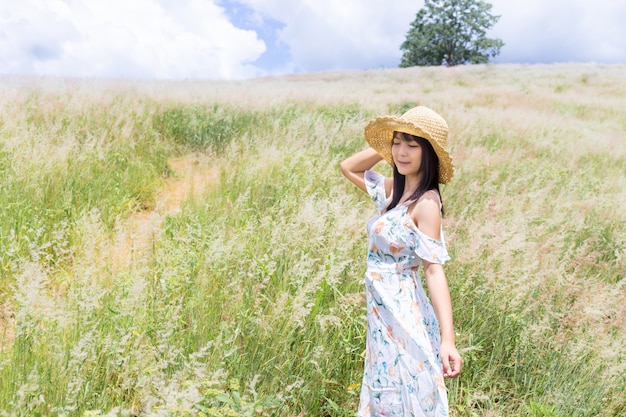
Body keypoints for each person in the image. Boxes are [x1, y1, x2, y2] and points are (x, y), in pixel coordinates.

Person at [340, 106, 462, 416]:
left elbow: (434, 271)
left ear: (429, 153)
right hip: (381, 309)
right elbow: (349, 167)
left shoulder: (426, 202)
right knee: (386, 386)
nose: (401, 151)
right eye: (397, 142)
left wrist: (448, 340)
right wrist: (387, 149)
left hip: (403, 309)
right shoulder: (393, 192)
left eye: (412, 144)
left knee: (409, 385)